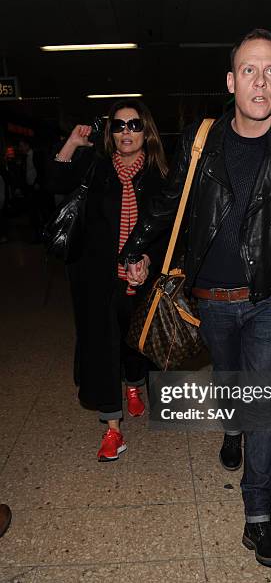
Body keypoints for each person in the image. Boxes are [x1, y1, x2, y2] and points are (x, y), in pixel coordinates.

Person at [121, 28, 271, 568]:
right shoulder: (201, 140)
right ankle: (231, 427)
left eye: (270, 71)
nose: (260, 81)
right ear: (230, 80)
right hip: (209, 300)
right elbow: (168, 205)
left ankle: (258, 519)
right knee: (228, 384)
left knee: (261, 404)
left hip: (267, 299)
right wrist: (133, 247)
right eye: (249, 70)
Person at [48, 99, 168, 461]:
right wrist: (72, 143)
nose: (126, 132)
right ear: (110, 133)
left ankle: (134, 385)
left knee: (134, 344)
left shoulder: (160, 174)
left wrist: (148, 259)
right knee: (104, 347)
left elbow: (170, 229)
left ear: (146, 131)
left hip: (142, 278)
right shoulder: (96, 168)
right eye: (118, 126)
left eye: (134, 125)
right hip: (98, 278)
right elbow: (55, 180)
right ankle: (112, 429)